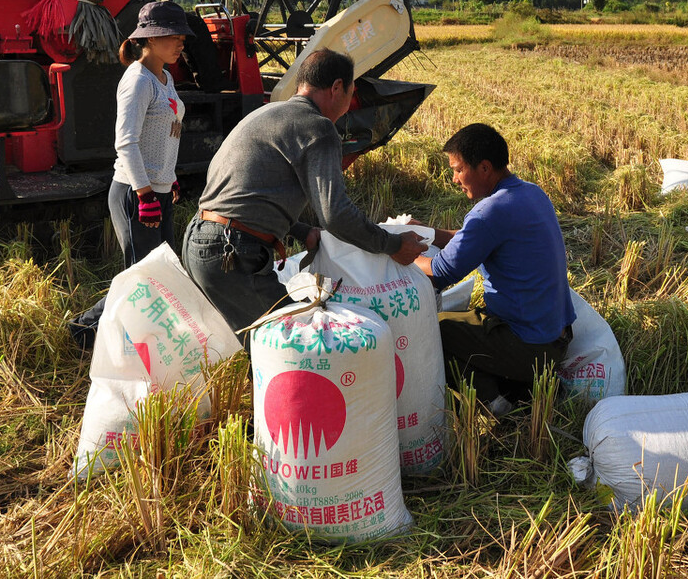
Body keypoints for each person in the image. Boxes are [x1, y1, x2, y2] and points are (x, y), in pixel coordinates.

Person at [183, 47, 427, 337]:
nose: (349, 103)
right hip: (231, 252)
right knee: (296, 343)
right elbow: (335, 215)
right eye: (350, 93)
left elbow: (243, 194)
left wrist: (301, 231)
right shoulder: (318, 128)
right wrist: (393, 245)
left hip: (200, 241)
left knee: (256, 346)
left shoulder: (267, 113)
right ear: (337, 88)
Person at [413, 123, 576, 417]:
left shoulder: (490, 212)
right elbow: (472, 240)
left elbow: (440, 272)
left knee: (435, 330)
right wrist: (425, 233)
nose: (454, 179)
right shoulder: (529, 193)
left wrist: (398, 247)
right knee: (464, 324)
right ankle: (523, 390)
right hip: (556, 337)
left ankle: (497, 408)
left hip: (532, 346)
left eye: (458, 170)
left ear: (485, 168)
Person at [69, 1, 192, 348]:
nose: (180, 41)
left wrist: (169, 178)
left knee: (160, 272)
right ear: (149, 39)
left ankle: (134, 339)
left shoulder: (165, 77)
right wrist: (145, 193)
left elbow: (165, 132)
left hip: (158, 189)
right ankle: (86, 333)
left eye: (182, 35)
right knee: (142, 278)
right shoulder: (137, 81)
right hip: (134, 192)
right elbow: (126, 143)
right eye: (172, 35)